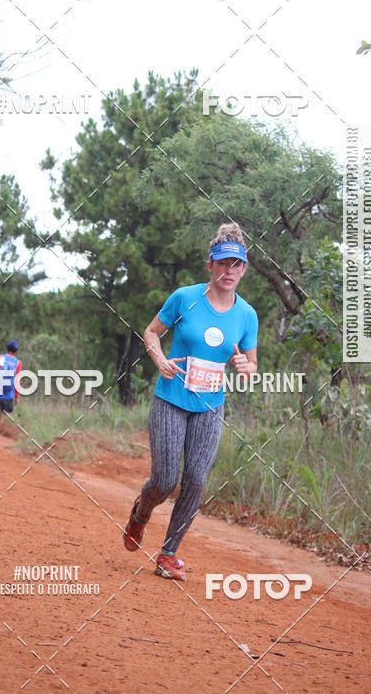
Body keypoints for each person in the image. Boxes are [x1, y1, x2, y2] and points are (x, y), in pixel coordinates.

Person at [123, 223, 258, 581]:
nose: (229, 271)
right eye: (223, 263)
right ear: (210, 265)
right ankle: (141, 512)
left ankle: (168, 555)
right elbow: (151, 332)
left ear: (244, 269)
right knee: (165, 480)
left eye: (237, 264)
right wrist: (160, 360)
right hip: (171, 399)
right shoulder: (184, 298)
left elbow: (251, 366)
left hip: (210, 406)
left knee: (195, 479)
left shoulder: (247, 315)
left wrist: (245, 367)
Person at [0, 340, 22, 446]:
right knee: (3, 414)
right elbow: (17, 380)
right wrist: (16, 396)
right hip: (8, 393)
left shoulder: (0, 358)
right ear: (15, 350)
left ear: (7, 348)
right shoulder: (17, 363)